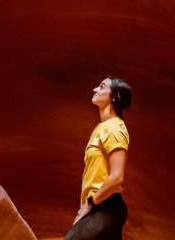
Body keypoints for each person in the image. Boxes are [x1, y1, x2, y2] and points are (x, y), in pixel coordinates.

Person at [65, 76, 133, 240]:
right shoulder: (101, 128)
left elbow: (117, 177)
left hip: (107, 207)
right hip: (99, 206)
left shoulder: (114, 128)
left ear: (114, 97)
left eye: (102, 87)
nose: (95, 89)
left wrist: (89, 204)